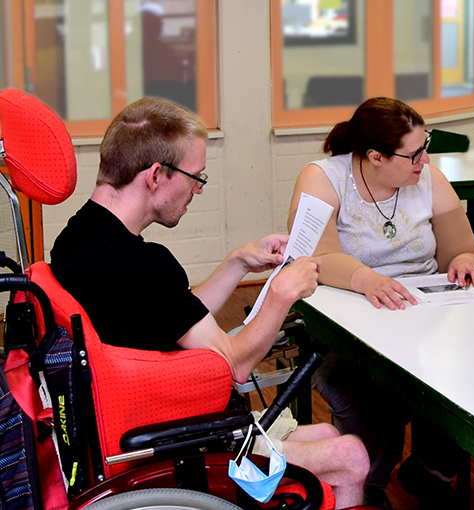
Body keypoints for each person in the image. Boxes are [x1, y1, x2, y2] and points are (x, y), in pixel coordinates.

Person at [49, 97, 370, 509]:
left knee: (326, 436)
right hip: (183, 435)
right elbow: (234, 364)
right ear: (156, 175)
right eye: (195, 176)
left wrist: (238, 261)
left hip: (139, 416)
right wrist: (282, 292)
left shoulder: (77, 238)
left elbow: (172, 315)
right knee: (352, 456)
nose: (198, 189)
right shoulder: (143, 266)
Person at [288, 97, 474, 508]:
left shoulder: (429, 179)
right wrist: (367, 279)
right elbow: (317, 258)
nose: (424, 159)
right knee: (367, 392)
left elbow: (462, 248)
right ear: (375, 156)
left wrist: (467, 260)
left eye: (425, 145)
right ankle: (366, 488)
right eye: (413, 153)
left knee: (467, 375)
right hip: (350, 317)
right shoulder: (323, 178)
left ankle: (431, 471)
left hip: (422, 314)